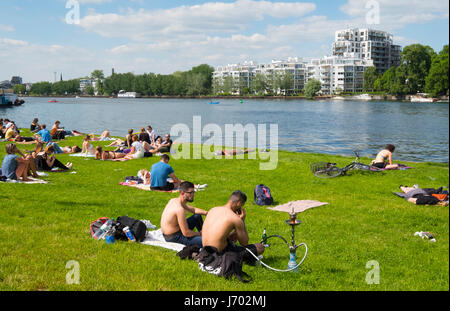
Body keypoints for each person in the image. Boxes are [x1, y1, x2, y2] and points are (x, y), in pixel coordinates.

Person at [201, 190, 265, 263]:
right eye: (242, 205)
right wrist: (242, 221)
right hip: (220, 254)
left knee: (231, 240)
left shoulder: (213, 209)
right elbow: (244, 243)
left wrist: (229, 236)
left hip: (205, 251)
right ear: (238, 203)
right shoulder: (235, 218)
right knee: (260, 247)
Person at [160, 181, 208, 247]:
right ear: (183, 193)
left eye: (194, 192)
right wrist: (199, 233)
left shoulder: (174, 200)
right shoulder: (179, 209)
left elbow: (193, 210)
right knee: (207, 241)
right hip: (174, 237)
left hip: (175, 231)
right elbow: (186, 233)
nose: (193, 194)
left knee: (197, 216)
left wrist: (207, 213)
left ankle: (206, 234)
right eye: (191, 193)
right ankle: (205, 237)